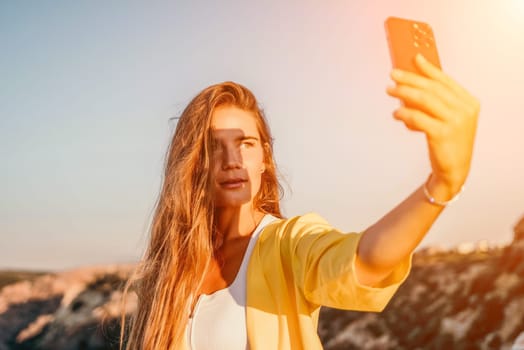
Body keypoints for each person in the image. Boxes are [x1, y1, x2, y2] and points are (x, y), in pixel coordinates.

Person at [120, 53, 479, 349]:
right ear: (193, 163)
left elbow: (365, 260)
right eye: (214, 147)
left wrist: (443, 184)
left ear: (264, 159)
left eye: (245, 143)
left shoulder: (287, 244)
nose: (232, 160)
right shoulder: (171, 269)